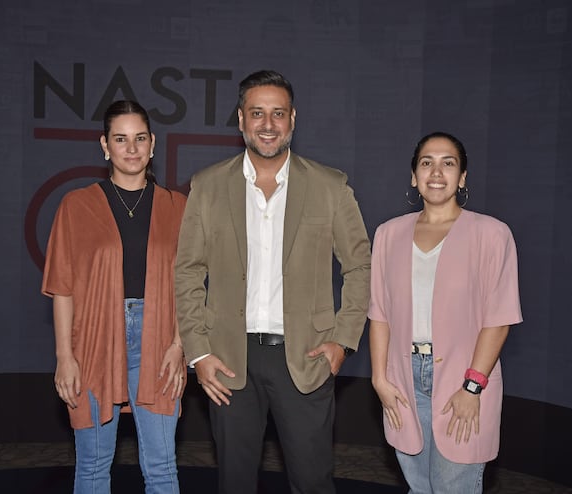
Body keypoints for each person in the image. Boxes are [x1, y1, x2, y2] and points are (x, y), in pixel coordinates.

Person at [174, 70, 371, 494]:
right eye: (257, 113)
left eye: (278, 113)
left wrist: (342, 341)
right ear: (240, 119)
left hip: (306, 359)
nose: (268, 124)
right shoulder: (207, 186)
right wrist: (198, 351)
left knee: (313, 482)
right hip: (228, 360)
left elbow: (360, 266)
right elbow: (188, 270)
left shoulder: (331, 186)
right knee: (234, 483)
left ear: (293, 119)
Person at [42, 100, 187, 494]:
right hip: (92, 342)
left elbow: (191, 287)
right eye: (121, 139)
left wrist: (179, 345)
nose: (132, 148)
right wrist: (64, 357)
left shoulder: (178, 208)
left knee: (162, 466)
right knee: (91, 467)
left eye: (140, 138)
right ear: (105, 145)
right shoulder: (76, 206)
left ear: (153, 143)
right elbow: (62, 288)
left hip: (159, 343)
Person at [368, 132, 522, 493]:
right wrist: (379, 379)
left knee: (454, 485)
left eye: (448, 163)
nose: (436, 172)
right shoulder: (388, 234)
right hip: (403, 380)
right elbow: (379, 314)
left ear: (462, 177)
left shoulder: (492, 234)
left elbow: (498, 320)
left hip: (464, 380)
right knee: (419, 487)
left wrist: (472, 387)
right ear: (413, 176)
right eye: (427, 163)